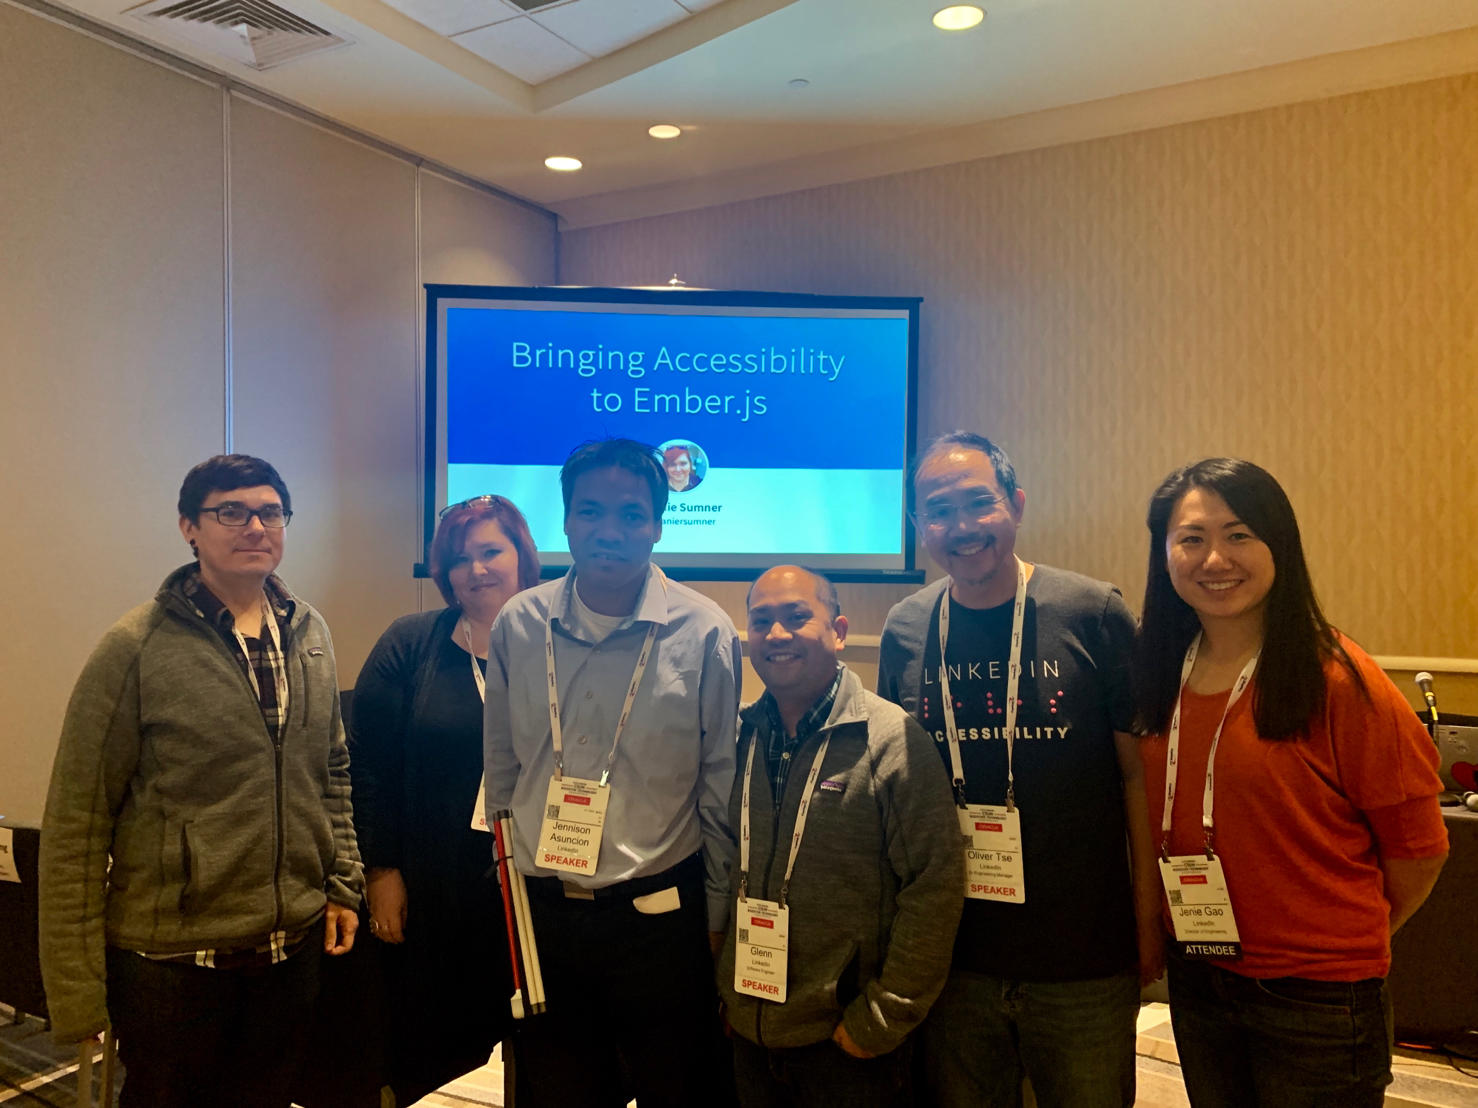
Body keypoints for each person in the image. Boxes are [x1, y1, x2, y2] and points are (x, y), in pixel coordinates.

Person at [38, 454, 363, 1108]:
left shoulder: (311, 635)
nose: (254, 527)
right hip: (172, 969)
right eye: (230, 512)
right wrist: (76, 993)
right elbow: (77, 823)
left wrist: (343, 882)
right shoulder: (135, 647)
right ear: (190, 527)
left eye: (270, 512)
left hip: (287, 953)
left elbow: (330, 774)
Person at [1133, 458, 1449, 1107]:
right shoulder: (1159, 674)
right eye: (1191, 538)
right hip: (1199, 974)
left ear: (1280, 544)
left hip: (1317, 998)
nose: (1215, 557)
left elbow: (1419, 850)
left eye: (1240, 533)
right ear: (1165, 553)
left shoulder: (1338, 679)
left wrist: (1333, 937)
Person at [877, 431, 1160, 1108]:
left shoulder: (1092, 612)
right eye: (938, 511)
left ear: (1018, 505)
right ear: (919, 526)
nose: (961, 527)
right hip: (952, 958)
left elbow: (1138, 780)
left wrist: (1149, 928)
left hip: (1082, 958)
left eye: (979, 503)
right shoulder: (906, 628)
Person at [484, 437, 741, 1107]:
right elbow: (502, 767)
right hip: (546, 910)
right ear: (566, 520)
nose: (609, 531)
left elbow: (719, 784)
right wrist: (512, 894)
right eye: (590, 512)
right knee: (563, 1091)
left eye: (632, 515)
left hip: (661, 915)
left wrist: (717, 916)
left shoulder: (704, 632)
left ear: (658, 524)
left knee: (678, 1089)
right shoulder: (519, 623)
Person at [720, 565, 963, 1108]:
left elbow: (935, 885)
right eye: (761, 622)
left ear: (839, 630)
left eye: (796, 617)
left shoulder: (892, 739)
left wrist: (880, 1018)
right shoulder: (738, 736)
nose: (777, 635)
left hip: (847, 1046)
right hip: (750, 1030)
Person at [349, 495, 540, 1104]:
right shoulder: (412, 642)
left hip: (542, 887)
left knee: (546, 1057)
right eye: (461, 559)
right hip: (436, 889)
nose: (477, 570)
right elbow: (367, 765)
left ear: (521, 556)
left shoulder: (563, 639)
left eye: (491, 552)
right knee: (430, 1051)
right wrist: (381, 871)